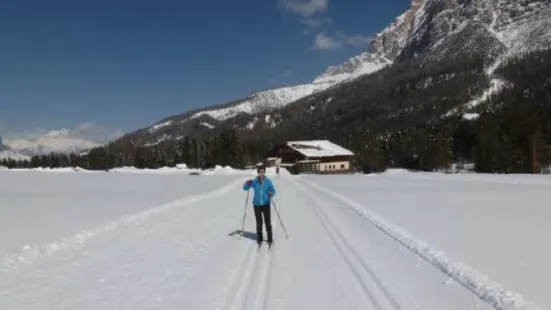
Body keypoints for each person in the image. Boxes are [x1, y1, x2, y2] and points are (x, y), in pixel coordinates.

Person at [243, 165, 276, 245]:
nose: (262, 173)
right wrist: (247, 183)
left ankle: (270, 238)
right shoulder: (254, 181)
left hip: (266, 204)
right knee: (259, 222)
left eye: (263, 171)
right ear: (258, 172)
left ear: (264, 172)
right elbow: (245, 188)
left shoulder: (268, 181)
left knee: (267, 221)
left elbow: (273, 190)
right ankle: (259, 238)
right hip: (257, 204)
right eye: (260, 171)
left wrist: (271, 193)